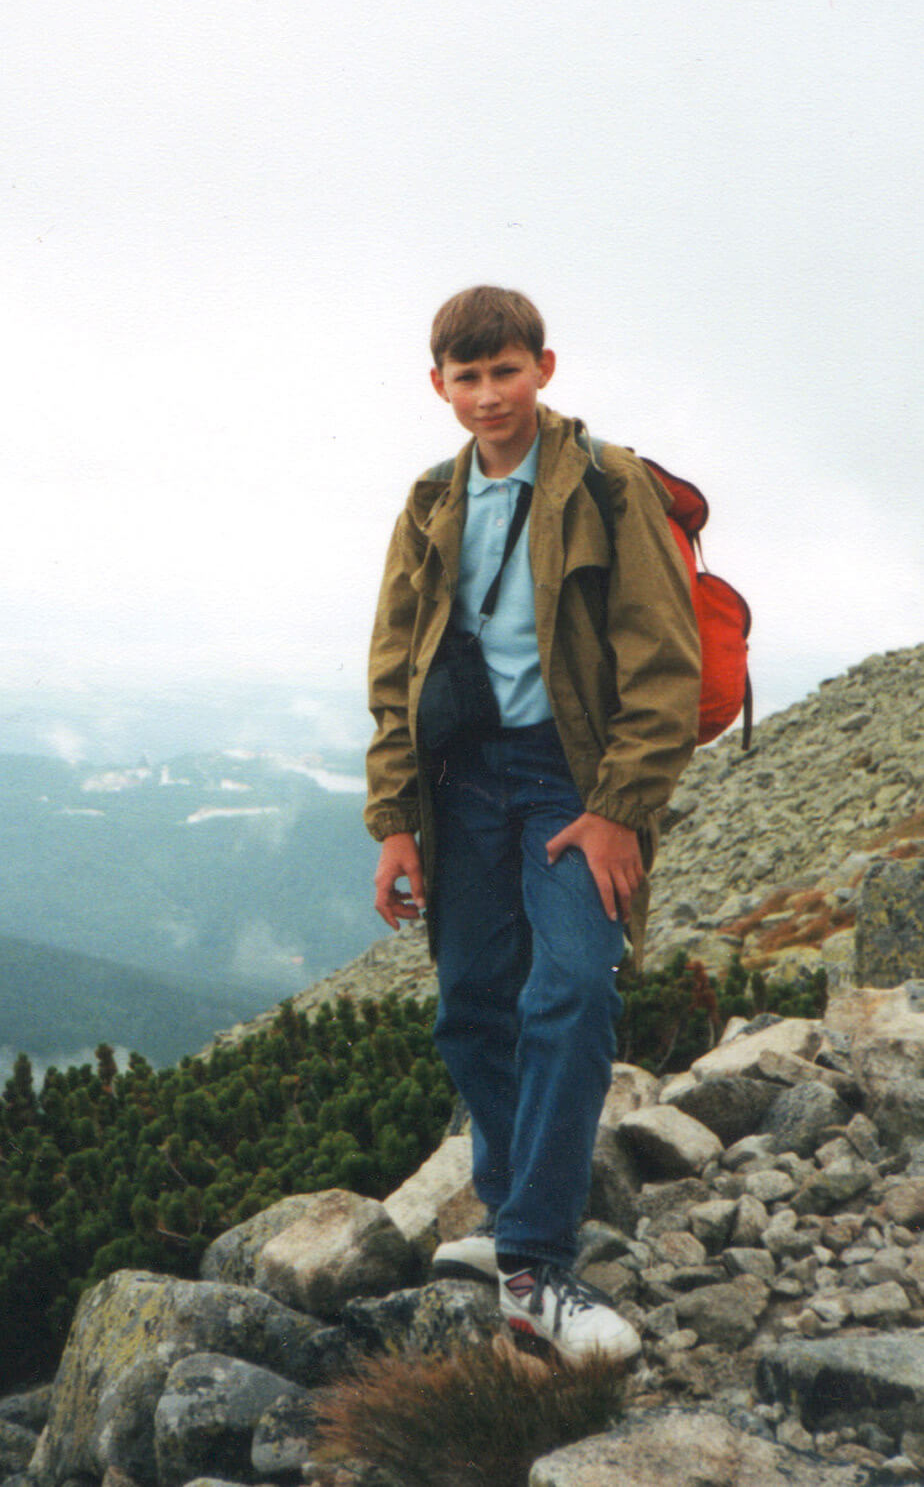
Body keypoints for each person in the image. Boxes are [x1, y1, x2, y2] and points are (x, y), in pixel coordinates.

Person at [365, 285, 701, 1364]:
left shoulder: (606, 483)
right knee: (470, 1005)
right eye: (466, 377)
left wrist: (618, 812)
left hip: (574, 778)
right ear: (438, 385)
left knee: (571, 989)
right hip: (463, 781)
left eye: (504, 371)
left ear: (543, 369)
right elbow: (396, 669)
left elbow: (665, 664)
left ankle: (538, 1267)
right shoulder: (431, 498)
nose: (487, 395)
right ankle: (516, 1219)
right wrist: (396, 819)